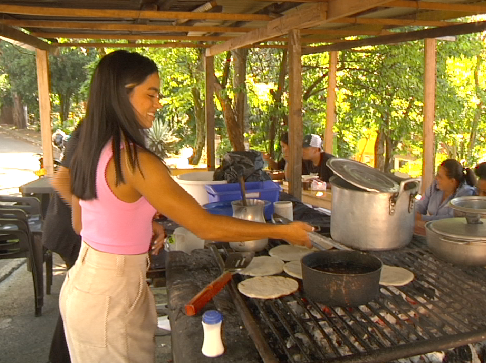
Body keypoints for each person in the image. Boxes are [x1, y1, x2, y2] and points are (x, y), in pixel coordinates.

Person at [61, 50, 312, 363]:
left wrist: (138, 223)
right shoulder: (136, 160)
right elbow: (204, 226)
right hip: (111, 296)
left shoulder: (94, 145)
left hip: (91, 281)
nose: (158, 103)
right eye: (150, 94)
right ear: (120, 95)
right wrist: (284, 230)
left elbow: (83, 222)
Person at [43, 125, 81, 363]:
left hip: (75, 228)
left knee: (78, 300)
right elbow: (61, 180)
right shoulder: (92, 128)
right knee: (79, 301)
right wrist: (87, 217)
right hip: (69, 231)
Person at [415, 159, 476, 223]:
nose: (436, 178)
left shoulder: (466, 193)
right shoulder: (435, 185)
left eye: (440, 177)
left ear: (452, 181)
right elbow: (422, 203)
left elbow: (451, 219)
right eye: (437, 175)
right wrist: (414, 213)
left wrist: (422, 218)